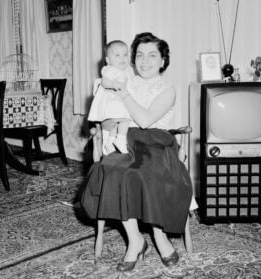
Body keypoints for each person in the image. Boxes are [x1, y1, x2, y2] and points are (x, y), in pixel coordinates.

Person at [81, 32, 195, 272]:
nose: (145, 61)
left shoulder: (168, 90)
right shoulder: (125, 79)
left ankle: (158, 233)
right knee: (112, 170)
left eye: (152, 55)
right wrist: (108, 121)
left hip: (157, 143)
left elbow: (144, 120)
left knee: (146, 173)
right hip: (126, 139)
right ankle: (135, 239)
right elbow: (105, 115)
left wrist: (122, 93)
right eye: (140, 55)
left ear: (163, 60)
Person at [88, 40, 134, 155]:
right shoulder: (109, 70)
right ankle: (115, 140)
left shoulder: (127, 73)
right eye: (117, 55)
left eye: (125, 54)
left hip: (120, 100)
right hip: (111, 100)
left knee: (123, 120)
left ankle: (115, 140)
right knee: (120, 120)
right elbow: (104, 82)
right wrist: (113, 84)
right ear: (108, 60)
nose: (122, 58)